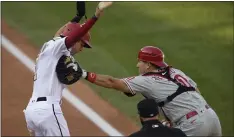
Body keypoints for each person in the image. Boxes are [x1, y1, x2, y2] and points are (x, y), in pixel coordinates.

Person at [81, 46, 222, 136]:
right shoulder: (175, 71)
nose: (137, 65)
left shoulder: (147, 80)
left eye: (140, 61)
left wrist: (84, 74)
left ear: (148, 65)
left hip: (193, 125)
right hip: (212, 117)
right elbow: (196, 90)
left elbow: (112, 82)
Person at [23, 2, 112, 136]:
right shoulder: (59, 46)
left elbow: (61, 33)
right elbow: (73, 35)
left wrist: (77, 17)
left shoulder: (50, 46)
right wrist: (95, 16)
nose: (82, 49)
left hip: (32, 111)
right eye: (82, 44)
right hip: (48, 111)